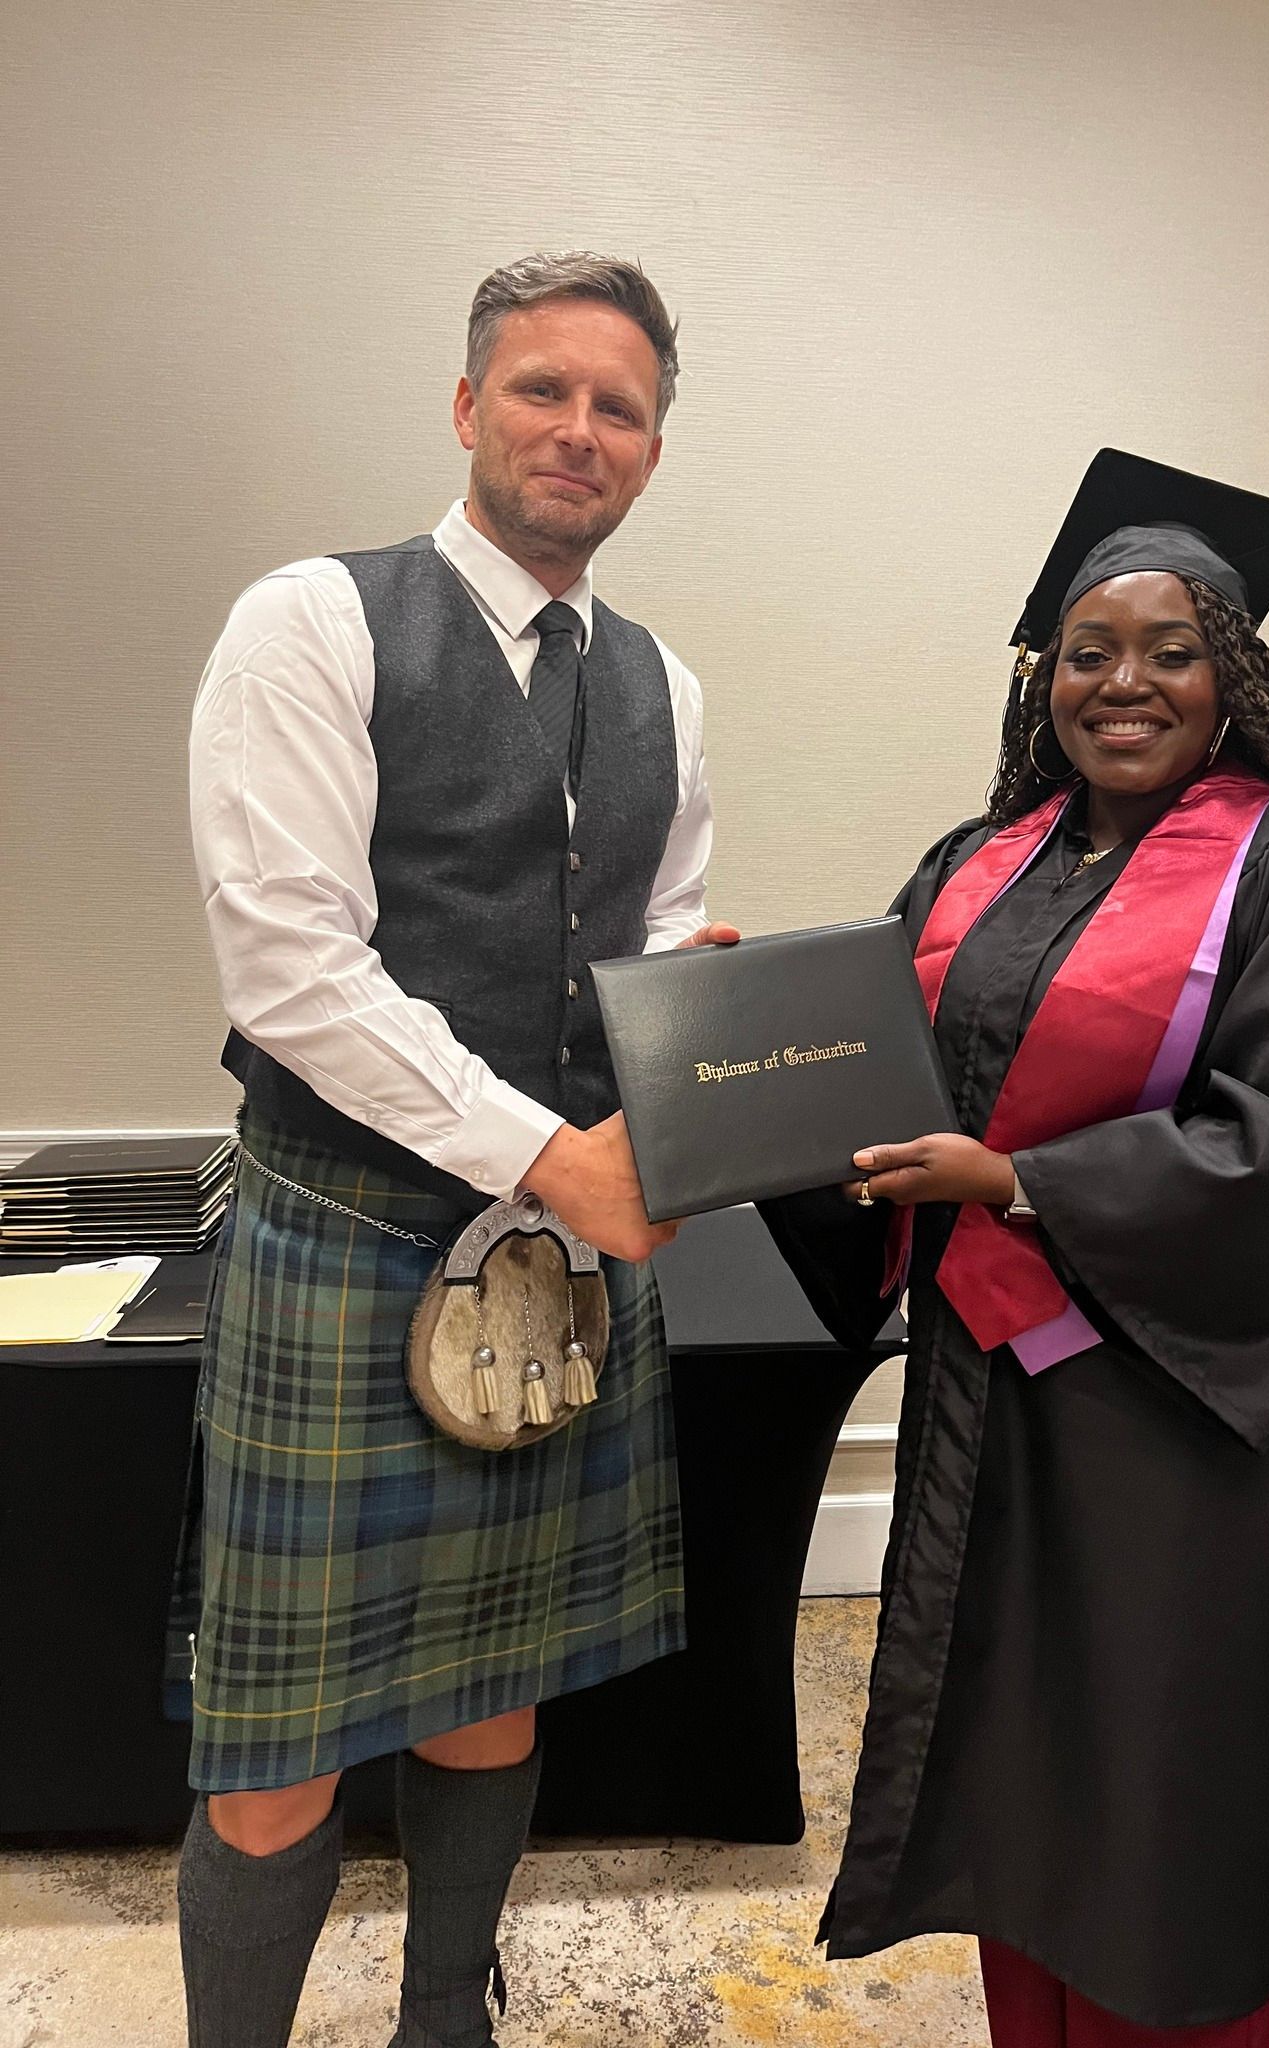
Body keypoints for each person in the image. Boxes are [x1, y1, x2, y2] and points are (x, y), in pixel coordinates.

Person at [764, 450, 1269, 2047]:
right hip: (990, 1399)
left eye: (1170, 649)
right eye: (1088, 652)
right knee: (1015, 1767)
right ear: (1044, 677)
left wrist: (1021, 1186)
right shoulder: (984, 859)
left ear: (1235, 676)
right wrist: (734, 1055)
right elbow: (877, 1066)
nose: (1123, 682)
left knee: (1149, 1780)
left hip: (1170, 1415)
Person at [183, 252, 736, 2048]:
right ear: (467, 405)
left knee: (490, 1692)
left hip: (561, 1267)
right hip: (346, 1234)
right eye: (543, 390)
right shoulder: (312, 620)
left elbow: (658, 936)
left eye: (621, 406)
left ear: (656, 447)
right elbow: (291, 971)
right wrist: (548, 1155)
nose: (580, 430)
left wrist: (697, 1025)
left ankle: (446, 2022)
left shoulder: (668, 686)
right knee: (275, 1748)